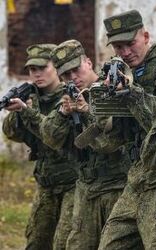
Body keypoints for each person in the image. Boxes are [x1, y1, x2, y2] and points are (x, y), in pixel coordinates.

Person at [98, 10, 156, 250]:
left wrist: (131, 93)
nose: (125, 52)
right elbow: (113, 140)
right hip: (139, 177)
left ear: (146, 36)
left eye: (130, 43)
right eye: (118, 47)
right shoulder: (133, 72)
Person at [40, 39, 137, 250]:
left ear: (89, 63)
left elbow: (108, 143)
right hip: (86, 189)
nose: (73, 78)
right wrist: (63, 113)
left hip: (117, 188)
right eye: (65, 75)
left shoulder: (109, 90)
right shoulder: (69, 98)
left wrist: (86, 112)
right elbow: (49, 137)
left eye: (76, 70)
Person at [2, 44, 80, 250]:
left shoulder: (70, 95)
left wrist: (28, 111)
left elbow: (54, 135)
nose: (36, 74)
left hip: (72, 182)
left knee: (63, 243)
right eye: (32, 70)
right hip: (46, 183)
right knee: (36, 242)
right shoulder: (33, 97)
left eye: (42, 68)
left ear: (56, 67)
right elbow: (12, 134)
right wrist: (18, 111)